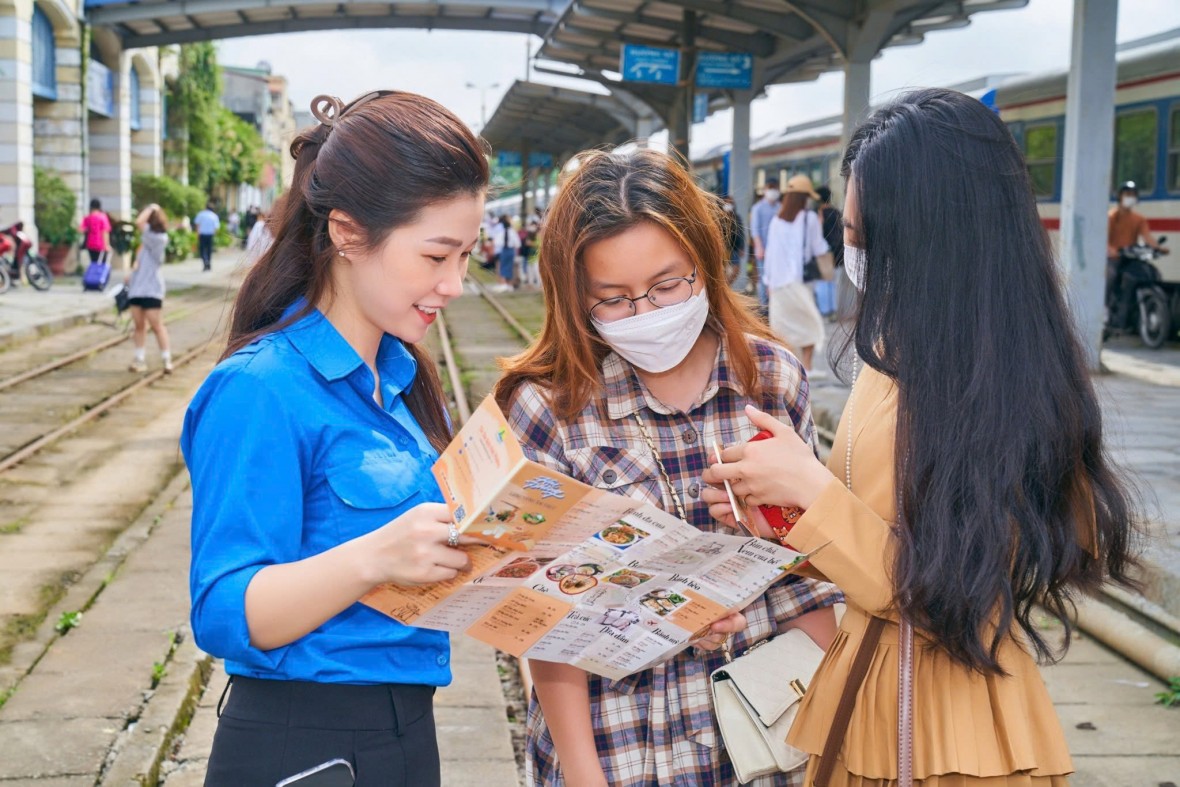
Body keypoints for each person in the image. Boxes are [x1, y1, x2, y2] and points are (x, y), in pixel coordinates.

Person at [704, 88, 1140, 787]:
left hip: (947, 731)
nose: (852, 251)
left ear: (934, 237)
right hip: (869, 695)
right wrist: (779, 518)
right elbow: (874, 543)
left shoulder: (1001, 383)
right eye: (848, 231)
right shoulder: (894, 353)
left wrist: (812, 489)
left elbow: (946, 591)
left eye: (864, 235)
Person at [493, 148, 841, 787]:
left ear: (704, 265)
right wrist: (584, 776)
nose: (647, 313)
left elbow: (812, 578)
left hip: (759, 741)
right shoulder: (547, 408)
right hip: (620, 747)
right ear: (576, 298)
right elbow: (541, 617)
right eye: (614, 299)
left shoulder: (769, 379)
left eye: (666, 285)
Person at [181, 90, 490, 787]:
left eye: (466, 255)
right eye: (436, 255)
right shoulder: (261, 388)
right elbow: (223, 610)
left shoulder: (401, 379)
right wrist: (377, 556)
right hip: (306, 746)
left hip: (404, 733)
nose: (455, 284)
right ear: (348, 234)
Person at [763, 174, 828, 373]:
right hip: (799, 283)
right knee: (810, 324)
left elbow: (770, 254)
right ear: (803, 197)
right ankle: (806, 366)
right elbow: (818, 246)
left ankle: (792, 368)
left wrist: (768, 282)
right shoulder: (810, 218)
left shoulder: (776, 221)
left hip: (778, 284)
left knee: (783, 328)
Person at [1107, 181, 1170, 327]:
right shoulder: (1111, 217)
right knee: (1110, 275)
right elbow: (1104, 239)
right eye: (1127, 194)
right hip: (1115, 258)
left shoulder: (1138, 219)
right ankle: (1104, 308)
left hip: (1130, 257)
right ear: (1120, 196)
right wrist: (1112, 250)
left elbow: (1147, 237)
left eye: (1133, 195)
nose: (1130, 197)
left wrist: (1158, 248)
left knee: (1148, 272)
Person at [125, 203, 172, 374]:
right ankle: (139, 359)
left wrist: (152, 207)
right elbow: (139, 261)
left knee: (157, 325)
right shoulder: (145, 241)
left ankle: (166, 360)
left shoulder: (159, 238)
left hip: (152, 289)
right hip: (137, 288)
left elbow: (138, 222)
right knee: (139, 325)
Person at [749, 178, 780, 309]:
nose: (773, 191)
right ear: (765, 190)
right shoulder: (758, 208)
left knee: (776, 277)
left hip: (777, 250)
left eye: (775, 188)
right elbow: (755, 230)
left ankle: (774, 305)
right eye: (770, 188)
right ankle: (764, 306)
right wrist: (759, 247)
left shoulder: (780, 207)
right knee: (763, 277)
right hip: (763, 249)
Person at [813, 185, 843, 320]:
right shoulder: (837, 212)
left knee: (823, 282)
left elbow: (817, 234)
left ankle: (826, 310)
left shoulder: (819, 214)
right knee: (835, 283)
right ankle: (835, 310)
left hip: (824, 251)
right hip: (838, 251)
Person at [721, 195, 749, 294]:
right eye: (726, 203)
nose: (728, 205)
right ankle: (723, 290)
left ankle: (725, 288)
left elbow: (741, 233)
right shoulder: (719, 218)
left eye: (730, 203)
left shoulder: (737, 218)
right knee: (723, 271)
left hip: (735, 247)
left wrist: (742, 247)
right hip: (723, 249)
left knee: (736, 270)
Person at [79, 198, 111, 264]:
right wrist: (106, 245)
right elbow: (105, 231)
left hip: (90, 244)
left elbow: (81, 230)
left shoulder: (87, 218)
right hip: (101, 245)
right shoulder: (102, 217)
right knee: (102, 264)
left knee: (94, 262)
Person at [193, 200, 220, 271]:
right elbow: (216, 227)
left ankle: (205, 261)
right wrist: (214, 234)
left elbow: (197, 225)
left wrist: (197, 233)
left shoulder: (201, 214)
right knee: (209, 249)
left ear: (206, 208)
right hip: (210, 235)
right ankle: (209, 262)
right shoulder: (214, 216)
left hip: (202, 234)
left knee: (202, 249)